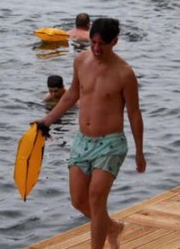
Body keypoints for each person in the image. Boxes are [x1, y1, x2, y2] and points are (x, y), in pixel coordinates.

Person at [37, 18, 145, 249]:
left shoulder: (125, 73)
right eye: (93, 42)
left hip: (111, 143)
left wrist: (140, 152)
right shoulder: (80, 61)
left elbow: (135, 114)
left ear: (114, 41)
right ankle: (113, 227)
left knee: (96, 200)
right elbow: (71, 95)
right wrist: (47, 121)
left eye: (102, 44)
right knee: (78, 201)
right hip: (82, 141)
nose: (96, 49)